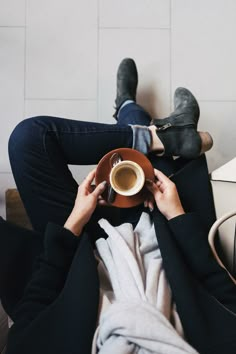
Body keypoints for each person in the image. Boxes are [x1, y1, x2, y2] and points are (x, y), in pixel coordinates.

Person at [0, 58, 235, 354]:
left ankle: (144, 122)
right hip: (165, 237)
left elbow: (31, 311)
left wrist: (72, 224)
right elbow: (226, 298)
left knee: (28, 139)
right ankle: (148, 126)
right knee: (149, 164)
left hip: (78, 256)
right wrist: (177, 216)